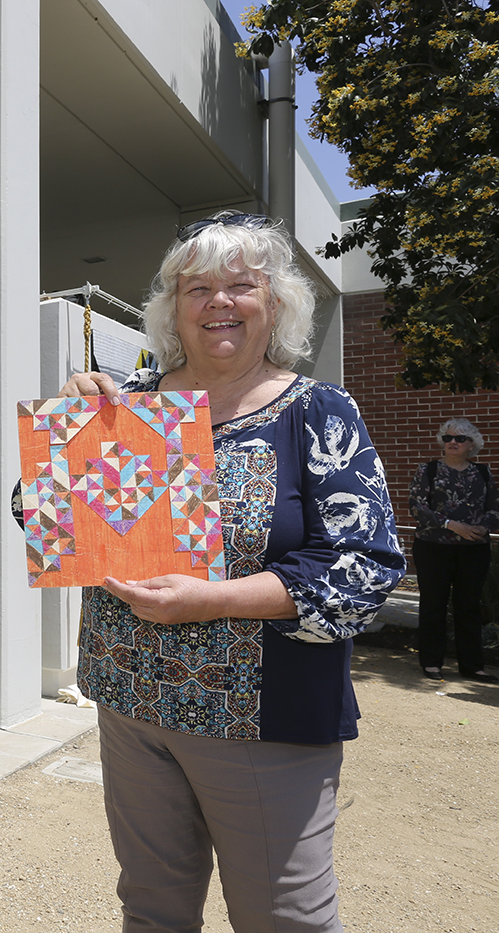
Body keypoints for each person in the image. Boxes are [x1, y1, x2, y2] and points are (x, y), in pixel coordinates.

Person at [55, 211, 405, 933]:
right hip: (131, 703)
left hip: (265, 721)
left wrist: (213, 599)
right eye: (197, 287)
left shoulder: (317, 411)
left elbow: (363, 567)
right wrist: (66, 441)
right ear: (171, 310)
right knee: (151, 908)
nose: (219, 301)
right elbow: (45, 521)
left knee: (284, 919)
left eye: (241, 285)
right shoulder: (133, 407)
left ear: (274, 304)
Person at [408, 418, 499, 682]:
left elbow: (494, 509)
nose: (453, 443)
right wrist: (452, 525)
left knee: (468, 607)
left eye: (459, 439)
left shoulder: (483, 473)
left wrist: (482, 528)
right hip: (433, 548)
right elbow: (417, 507)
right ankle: (431, 662)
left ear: (472, 444)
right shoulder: (428, 470)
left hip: (474, 549)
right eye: (447, 439)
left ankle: (472, 666)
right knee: (433, 604)